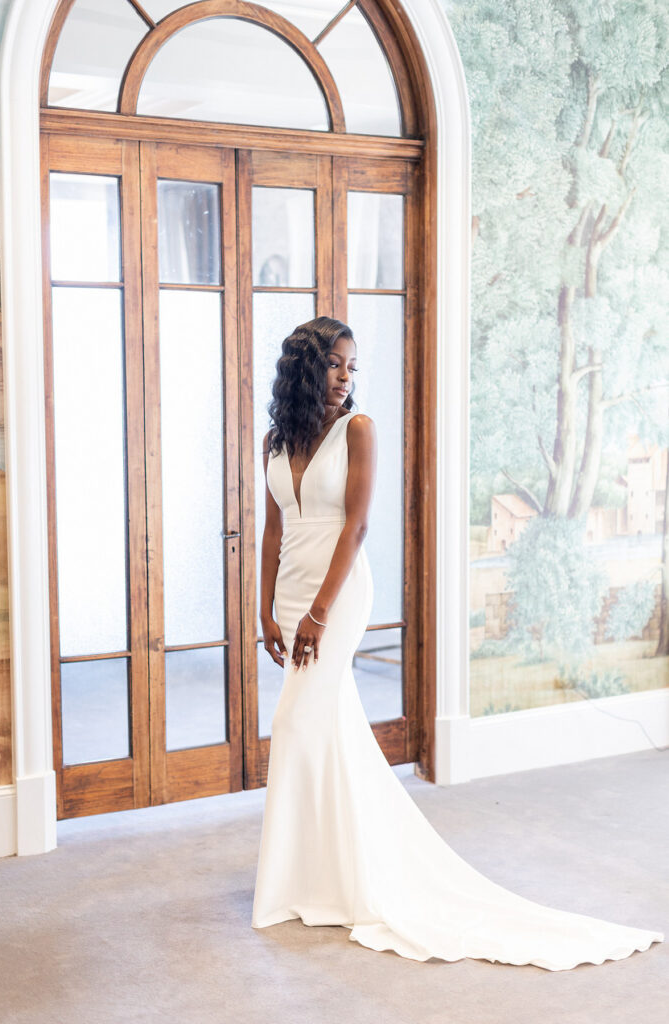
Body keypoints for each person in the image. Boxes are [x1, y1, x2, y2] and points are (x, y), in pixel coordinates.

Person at [251, 315, 664, 970]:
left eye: (352, 367)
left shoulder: (358, 431)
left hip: (337, 595)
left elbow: (355, 527)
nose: (345, 377)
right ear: (306, 366)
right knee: (328, 730)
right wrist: (265, 609)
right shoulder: (276, 439)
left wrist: (320, 613)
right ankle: (324, 877)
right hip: (292, 596)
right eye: (335, 364)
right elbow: (273, 530)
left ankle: (309, 882)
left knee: (296, 725)